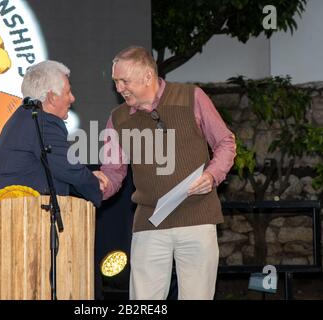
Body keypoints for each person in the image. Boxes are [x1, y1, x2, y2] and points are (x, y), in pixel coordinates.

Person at [93, 46, 236, 299]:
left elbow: (225, 142)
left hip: (197, 218)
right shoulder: (117, 119)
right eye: (115, 82)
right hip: (148, 223)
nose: (119, 89)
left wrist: (212, 175)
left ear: (148, 76)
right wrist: (100, 184)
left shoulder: (192, 96)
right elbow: (113, 171)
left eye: (124, 81)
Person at [0, 60, 102, 207]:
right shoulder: (43, 122)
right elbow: (68, 169)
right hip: (14, 219)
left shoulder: (25, 117)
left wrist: (88, 178)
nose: (72, 98)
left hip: (9, 215)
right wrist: (98, 187)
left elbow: (56, 171)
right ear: (52, 97)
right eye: (68, 92)